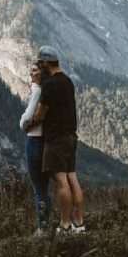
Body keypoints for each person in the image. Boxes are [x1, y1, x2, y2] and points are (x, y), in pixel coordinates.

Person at [29, 46, 85, 235]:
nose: (39, 66)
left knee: (60, 181)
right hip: (71, 137)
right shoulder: (67, 81)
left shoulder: (50, 85)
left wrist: (29, 124)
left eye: (39, 63)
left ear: (45, 63)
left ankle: (64, 224)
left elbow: (40, 113)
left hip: (56, 139)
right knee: (72, 178)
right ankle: (79, 223)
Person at [20, 62, 51, 236]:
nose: (31, 73)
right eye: (30, 69)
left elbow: (25, 119)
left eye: (35, 70)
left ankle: (42, 228)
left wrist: (23, 122)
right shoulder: (47, 92)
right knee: (44, 188)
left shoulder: (38, 91)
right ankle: (46, 224)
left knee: (38, 188)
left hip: (34, 141)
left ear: (41, 73)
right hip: (45, 142)